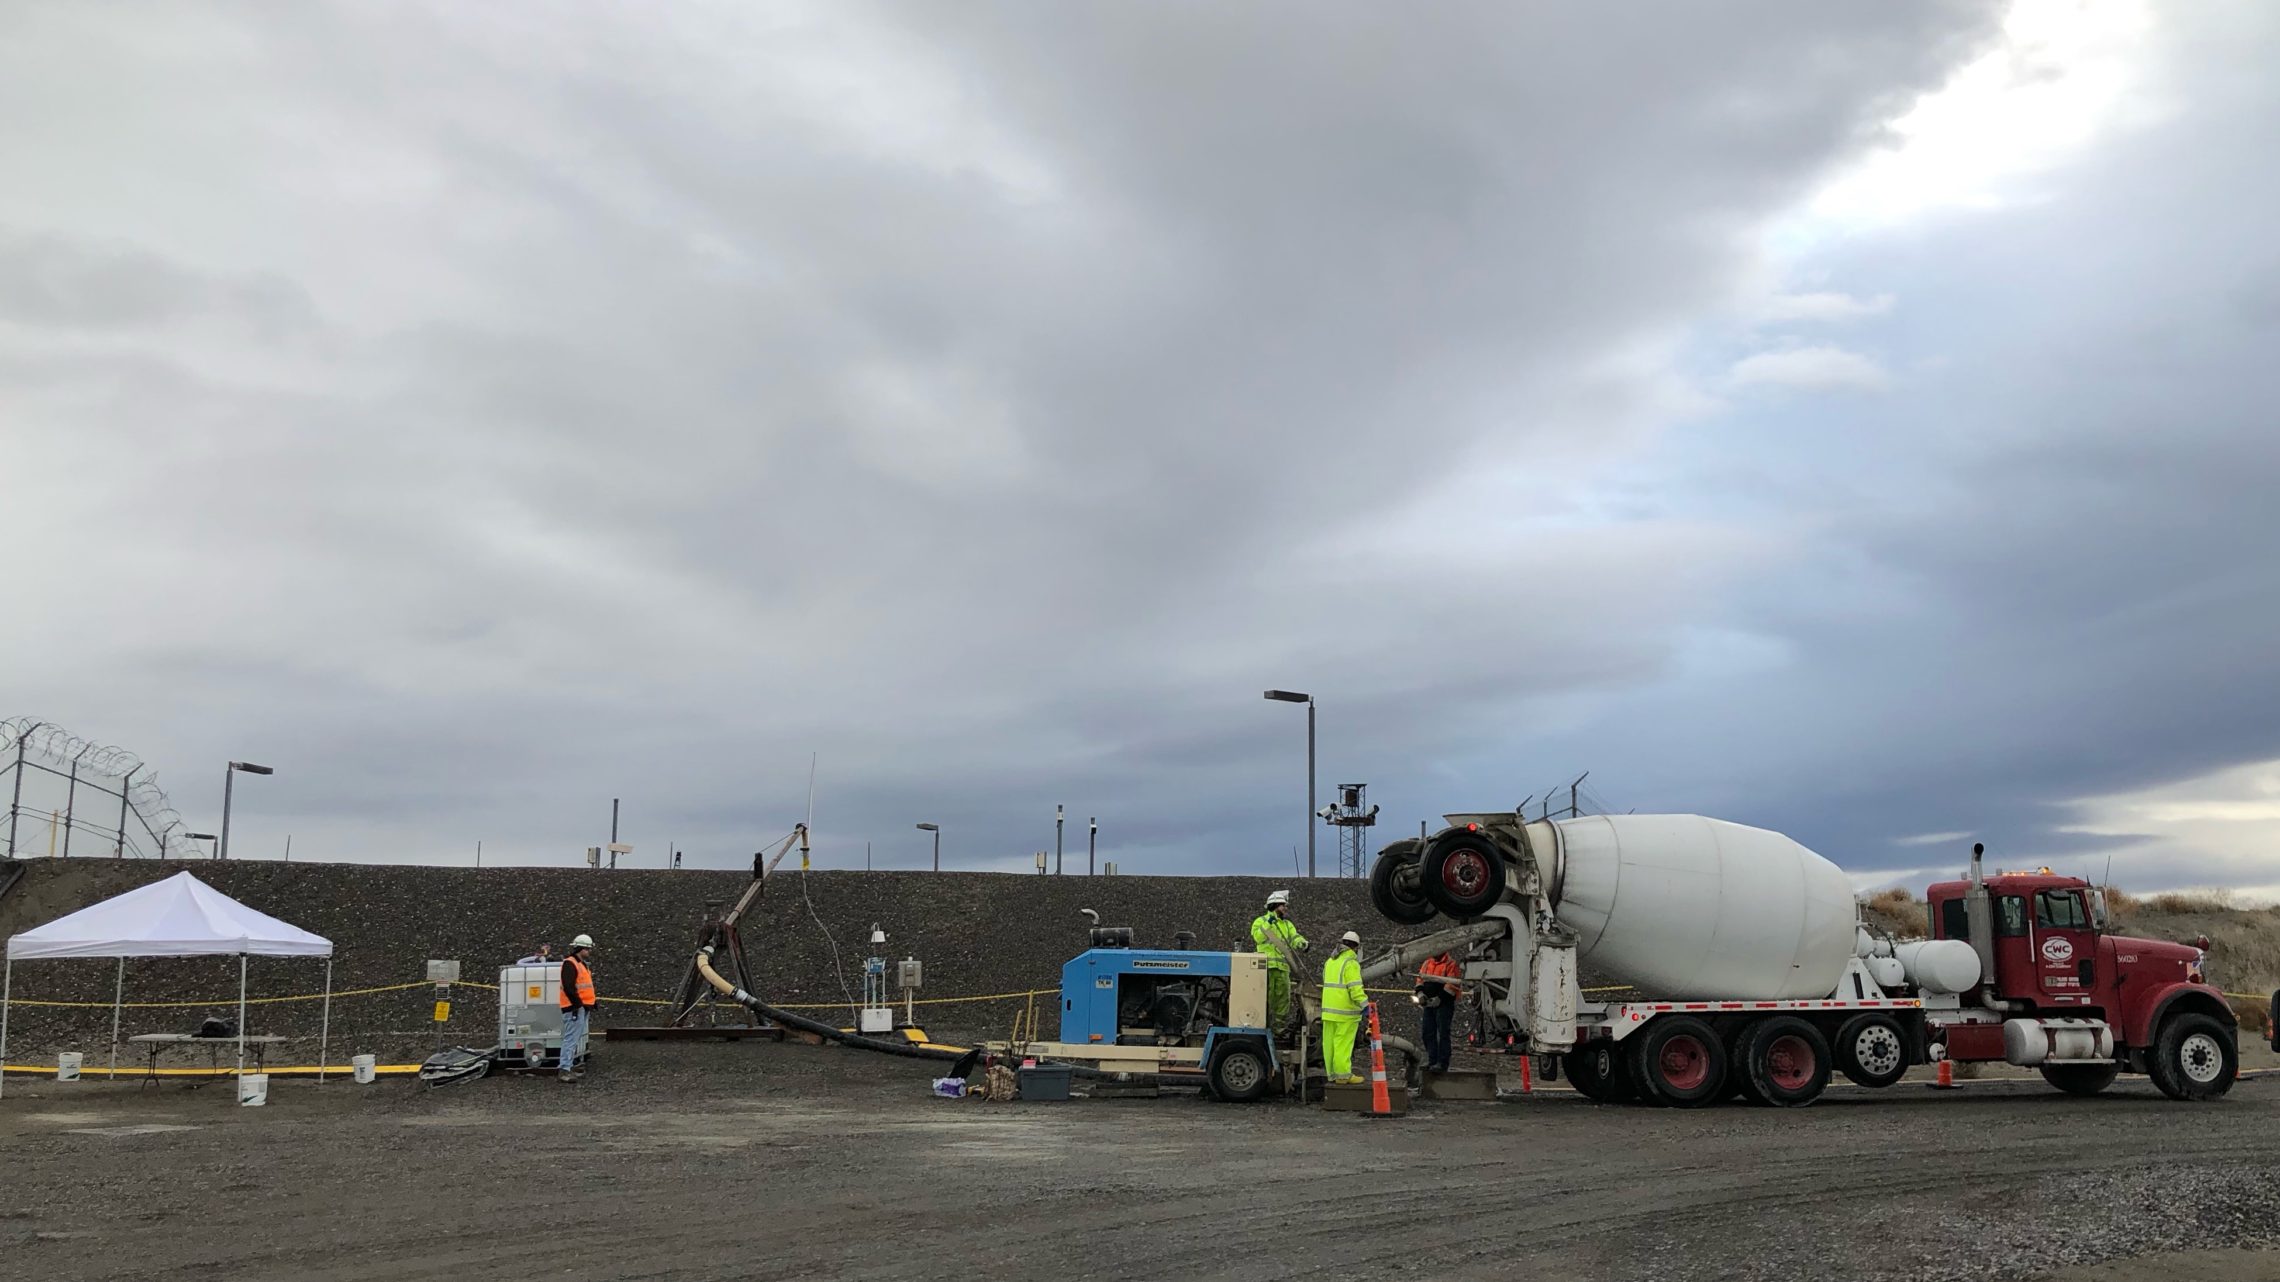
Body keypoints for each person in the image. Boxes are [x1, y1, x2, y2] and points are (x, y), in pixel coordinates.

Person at [1248, 889, 1308, 1030]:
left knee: (1283, 1000)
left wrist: (1302, 943)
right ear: (1275, 906)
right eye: (1283, 905)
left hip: (1282, 969)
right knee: (1264, 999)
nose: (1285, 909)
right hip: (1265, 968)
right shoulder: (1260, 921)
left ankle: (1278, 1030)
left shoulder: (1287, 925)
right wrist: (1270, 922)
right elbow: (1258, 937)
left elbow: (1294, 937)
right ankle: (1263, 1027)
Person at [1320, 930, 1368, 1085]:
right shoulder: (1350, 963)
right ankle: (1343, 1076)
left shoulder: (1330, 962)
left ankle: (1333, 1074)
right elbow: (1355, 988)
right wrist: (1365, 1004)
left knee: (1329, 1044)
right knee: (1343, 1044)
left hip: (1328, 1011)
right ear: (1355, 947)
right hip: (1346, 1012)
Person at [557, 933, 597, 1082]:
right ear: (581, 948)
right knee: (571, 1039)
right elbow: (568, 987)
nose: (589, 952)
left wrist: (590, 1003)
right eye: (587, 949)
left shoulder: (580, 964)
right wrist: (577, 1004)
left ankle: (568, 1066)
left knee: (573, 1039)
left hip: (581, 1007)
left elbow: (584, 987)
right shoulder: (570, 964)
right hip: (574, 1008)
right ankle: (564, 1070)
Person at [1416, 949, 1463, 1073]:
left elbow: (1452, 986)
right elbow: (1420, 980)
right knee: (1427, 1032)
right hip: (1429, 1003)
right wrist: (1420, 993)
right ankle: (1432, 1060)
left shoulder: (1450, 964)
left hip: (1444, 1004)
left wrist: (1440, 998)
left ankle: (1442, 1063)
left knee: (1443, 1033)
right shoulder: (1427, 963)